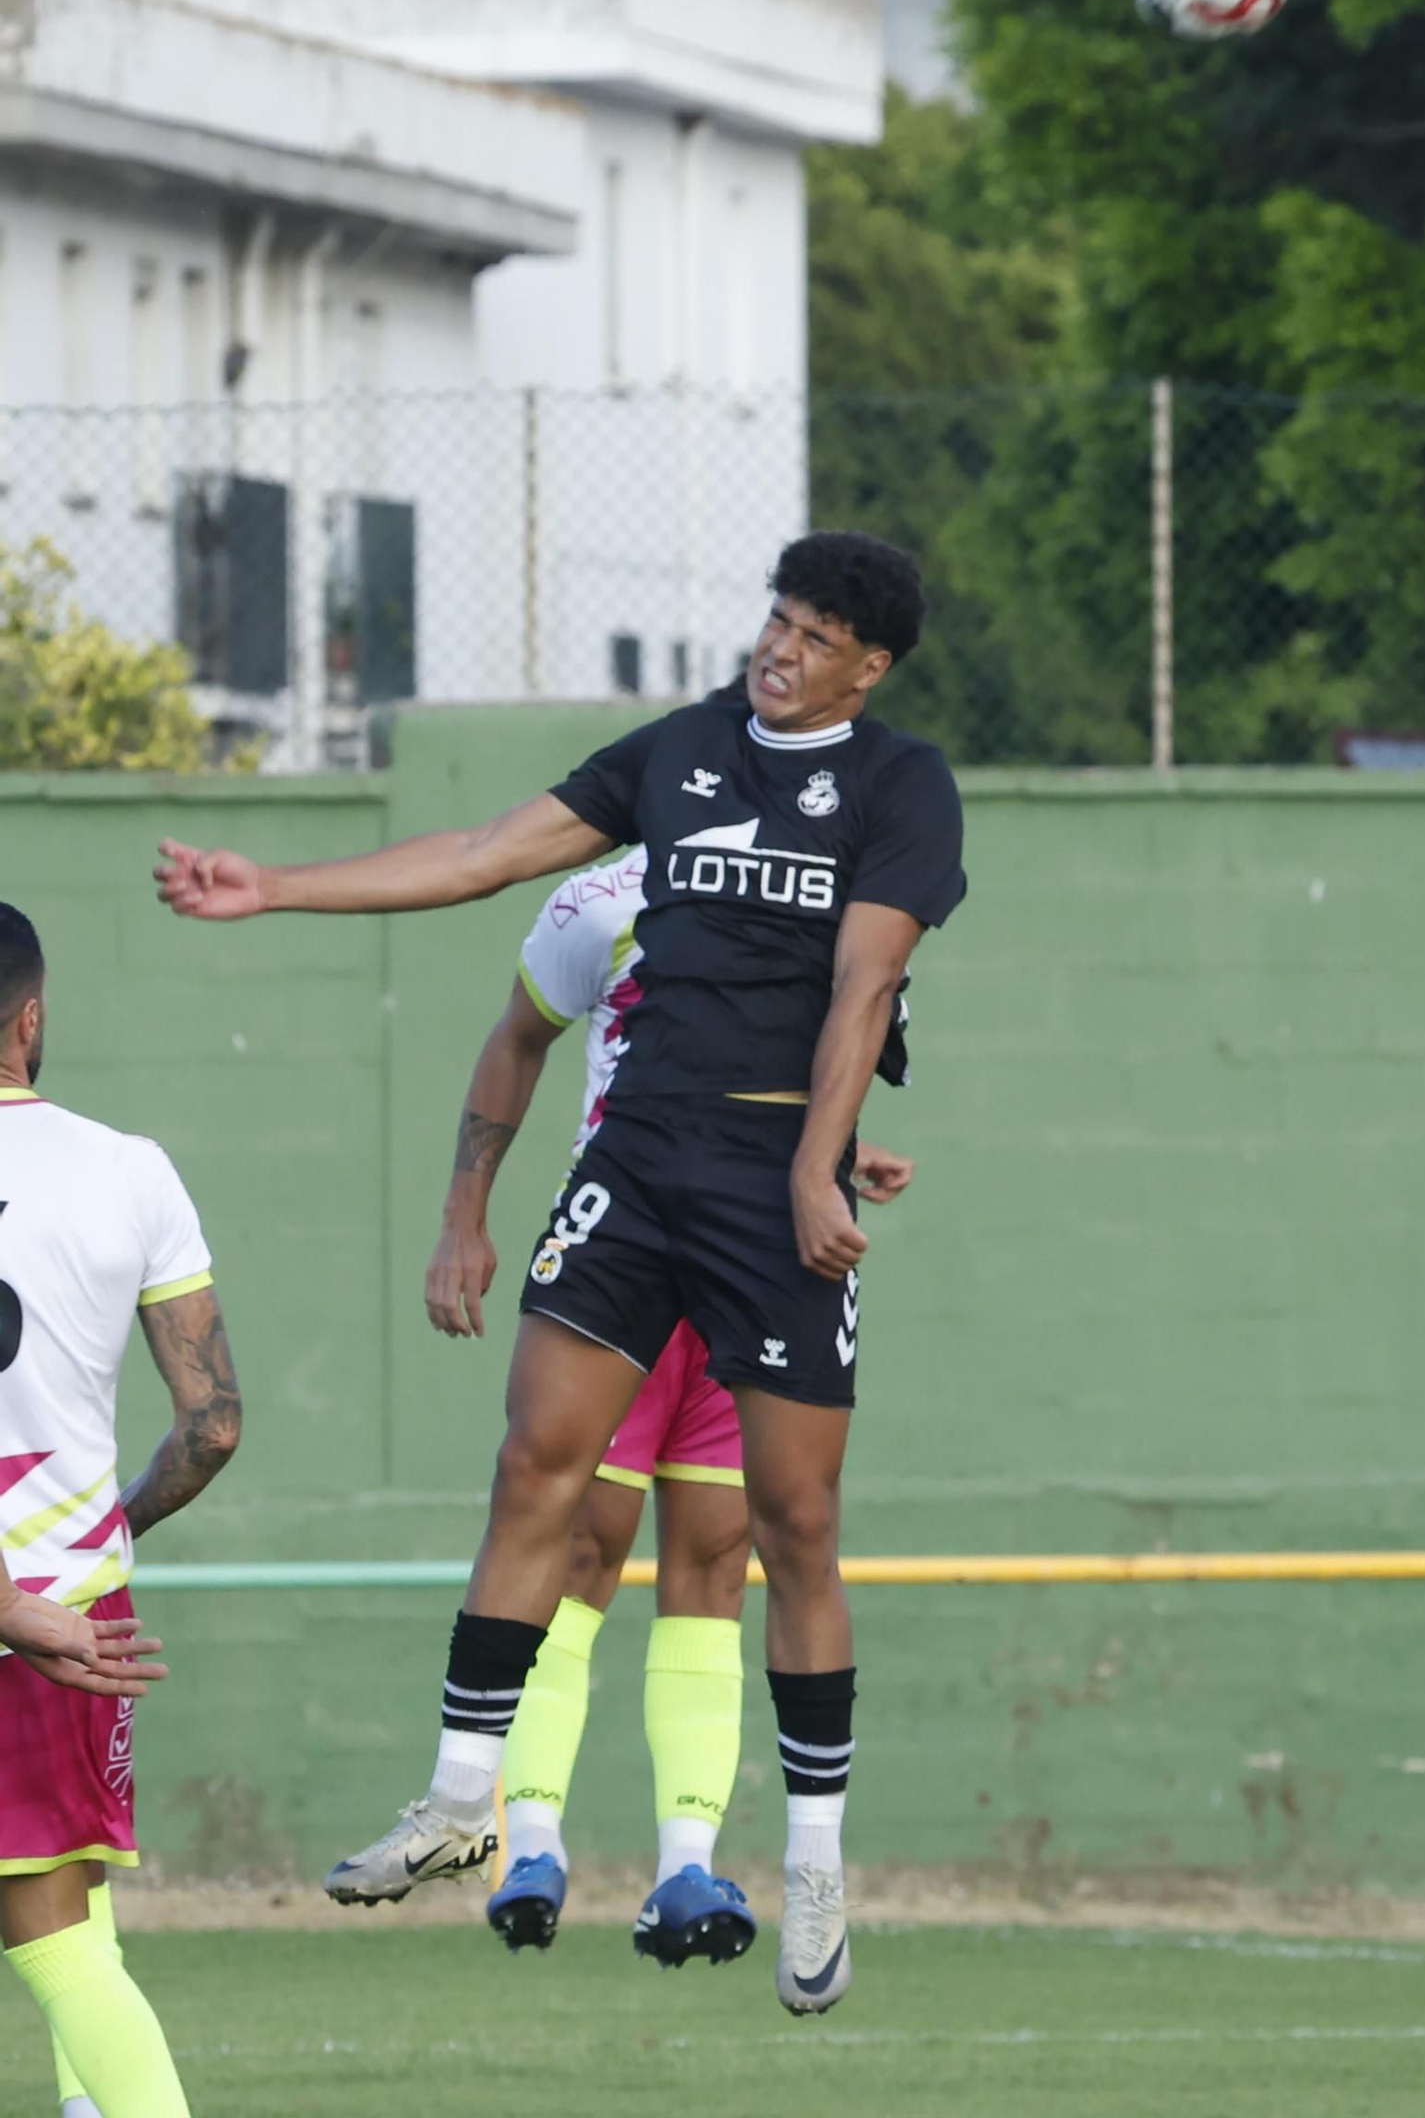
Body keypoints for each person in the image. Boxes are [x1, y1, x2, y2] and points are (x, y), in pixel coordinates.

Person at [155, 529, 964, 2016]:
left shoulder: (902, 787)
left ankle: (818, 1868)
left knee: (792, 1526)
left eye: (813, 634)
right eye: (773, 618)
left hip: (774, 1174)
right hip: (638, 1161)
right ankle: (466, 1798)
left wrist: (817, 1163)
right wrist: (271, 886)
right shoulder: (680, 749)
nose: (777, 648)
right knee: (539, 1462)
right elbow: (481, 856)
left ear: (869, 663)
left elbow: (866, 982)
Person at [404, 847, 914, 1967]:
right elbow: (518, 1037)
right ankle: (525, 1838)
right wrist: (464, 1218)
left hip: (757, 1268)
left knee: (718, 1563)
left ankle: (686, 1869)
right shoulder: (606, 897)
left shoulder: (834, 900)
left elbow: (794, 1069)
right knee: (582, 1544)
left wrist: (837, 1154)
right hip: (629, 1264)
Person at [0, 903, 242, 2118]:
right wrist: (117, 1525)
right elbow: (214, 1424)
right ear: (30, 1018)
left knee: (61, 1923)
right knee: (63, 1922)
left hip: (31, 1613)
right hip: (66, 1604)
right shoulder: (127, 1169)